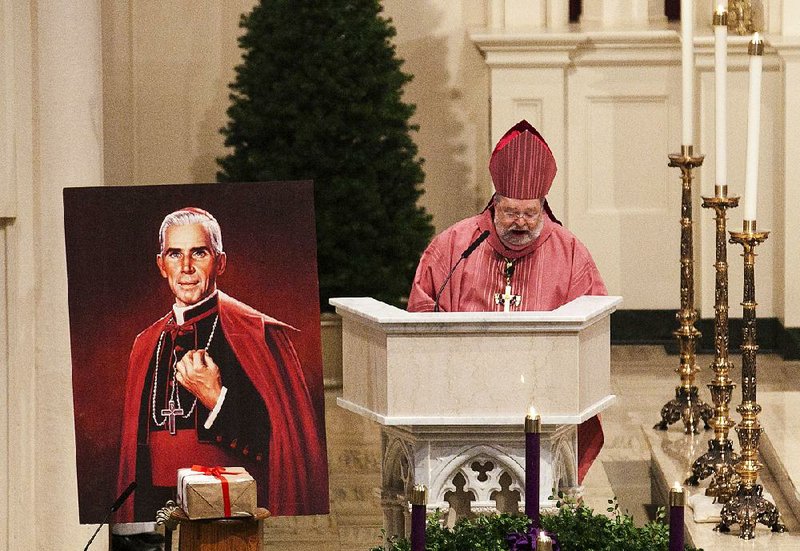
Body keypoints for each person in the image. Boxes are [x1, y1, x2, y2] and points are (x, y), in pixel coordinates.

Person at [408, 120, 606, 482]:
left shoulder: (571, 253)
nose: (521, 223)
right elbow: (420, 313)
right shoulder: (454, 246)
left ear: (543, 206)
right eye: (511, 212)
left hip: (545, 399)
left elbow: (593, 326)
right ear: (494, 204)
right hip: (461, 398)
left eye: (530, 213)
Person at [116, 207, 328, 522]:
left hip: (234, 506)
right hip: (156, 505)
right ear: (162, 266)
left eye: (198, 253)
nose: (186, 267)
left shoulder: (259, 335)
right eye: (175, 255)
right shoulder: (146, 343)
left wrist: (216, 397)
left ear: (220, 262)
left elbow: (282, 448)